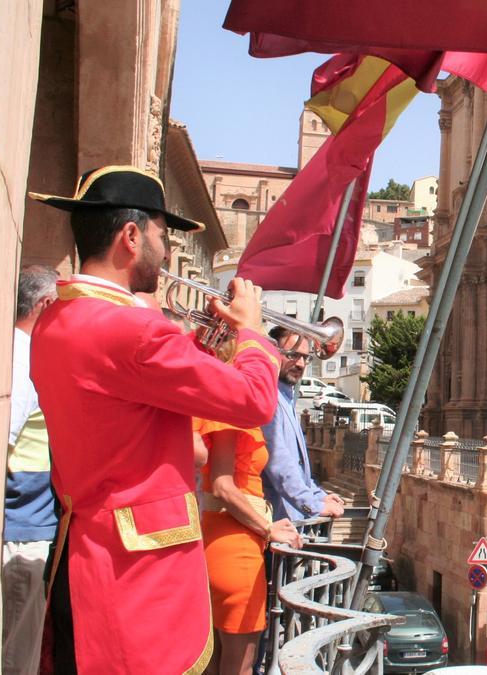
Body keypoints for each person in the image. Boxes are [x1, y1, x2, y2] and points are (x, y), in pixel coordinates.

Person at [28, 166, 281, 674]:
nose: (165, 253)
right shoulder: (134, 332)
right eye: (161, 237)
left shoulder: (56, 319)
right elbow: (254, 400)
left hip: (81, 557)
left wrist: (201, 343)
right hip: (137, 577)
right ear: (130, 236)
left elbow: (133, 390)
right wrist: (251, 333)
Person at [195, 342, 303, 675]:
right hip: (236, 546)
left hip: (218, 537)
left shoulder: (214, 405)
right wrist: (268, 527)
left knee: (211, 662)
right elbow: (224, 486)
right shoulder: (231, 410)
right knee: (240, 666)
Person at [2, 264, 58, 675]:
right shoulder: (22, 361)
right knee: (15, 661)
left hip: (29, 529)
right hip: (22, 534)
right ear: (44, 305)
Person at [261, 326, 346, 522]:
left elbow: (296, 468)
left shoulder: (286, 398)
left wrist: (318, 494)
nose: (300, 363)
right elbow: (278, 462)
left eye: (305, 358)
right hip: (273, 523)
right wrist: (314, 504)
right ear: (273, 353)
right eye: (293, 355)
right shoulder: (269, 397)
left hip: (288, 521)